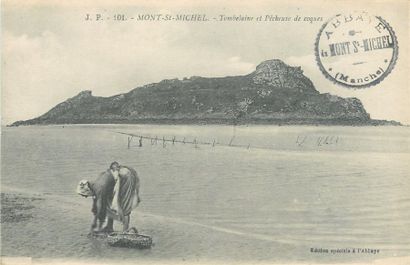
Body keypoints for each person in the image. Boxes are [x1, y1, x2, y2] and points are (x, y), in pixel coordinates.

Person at [77, 162, 140, 232]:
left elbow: (101, 209)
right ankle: (109, 227)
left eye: (84, 195)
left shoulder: (99, 189)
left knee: (125, 206)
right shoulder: (95, 184)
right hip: (118, 175)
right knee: (109, 203)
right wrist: (95, 222)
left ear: (87, 190)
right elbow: (97, 205)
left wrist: (97, 226)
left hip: (126, 176)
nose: (85, 197)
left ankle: (125, 231)